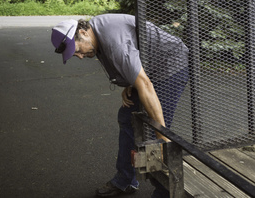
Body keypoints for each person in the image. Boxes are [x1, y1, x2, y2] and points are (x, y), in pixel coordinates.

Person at [51, 14, 189, 197]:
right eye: (75, 55)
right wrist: (130, 82)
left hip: (170, 65)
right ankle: (125, 181)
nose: (80, 57)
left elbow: (145, 84)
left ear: (83, 32)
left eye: (77, 50)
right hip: (151, 68)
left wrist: (162, 136)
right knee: (128, 118)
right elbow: (134, 53)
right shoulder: (96, 34)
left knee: (156, 131)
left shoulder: (114, 43)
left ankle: (165, 191)